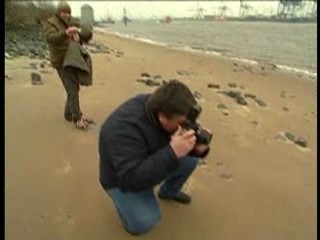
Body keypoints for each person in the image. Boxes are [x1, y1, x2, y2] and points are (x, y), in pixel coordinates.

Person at [99, 80, 211, 235]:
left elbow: (178, 140)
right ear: (163, 117)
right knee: (144, 222)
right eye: (182, 123)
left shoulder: (167, 106)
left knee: (190, 160)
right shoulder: (122, 130)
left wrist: (198, 149)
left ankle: (169, 192)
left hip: (152, 158)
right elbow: (131, 178)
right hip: (121, 179)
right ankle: (129, 219)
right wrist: (172, 152)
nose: (185, 126)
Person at [44, 1, 93, 130]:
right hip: (60, 61)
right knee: (72, 89)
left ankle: (68, 114)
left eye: (68, 12)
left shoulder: (72, 21)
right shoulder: (51, 22)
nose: (66, 15)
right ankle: (77, 118)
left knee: (73, 88)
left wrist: (81, 35)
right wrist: (65, 33)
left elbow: (86, 36)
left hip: (72, 59)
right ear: (58, 12)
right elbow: (50, 38)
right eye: (63, 12)